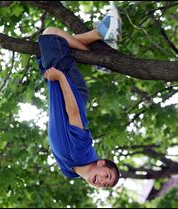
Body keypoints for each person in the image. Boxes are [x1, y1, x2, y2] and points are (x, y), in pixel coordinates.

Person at [36, 3, 122, 188]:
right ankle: (100, 38)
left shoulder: (69, 171)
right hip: (68, 86)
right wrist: (60, 77)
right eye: (106, 175)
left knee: (49, 43)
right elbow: (74, 112)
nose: (101, 181)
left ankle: (100, 51)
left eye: (105, 184)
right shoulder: (81, 154)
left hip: (58, 87)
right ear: (100, 163)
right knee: (50, 34)